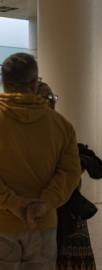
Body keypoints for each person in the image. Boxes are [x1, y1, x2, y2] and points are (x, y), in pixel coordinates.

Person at [0, 53, 81, 269]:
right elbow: (70, 172)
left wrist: (13, 204)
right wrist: (44, 203)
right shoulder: (61, 125)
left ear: (3, 82)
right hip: (42, 225)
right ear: (34, 84)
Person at [37, 82, 97, 270]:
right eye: (47, 97)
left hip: (69, 212)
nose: (52, 102)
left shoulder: (61, 127)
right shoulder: (26, 133)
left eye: (53, 97)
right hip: (45, 213)